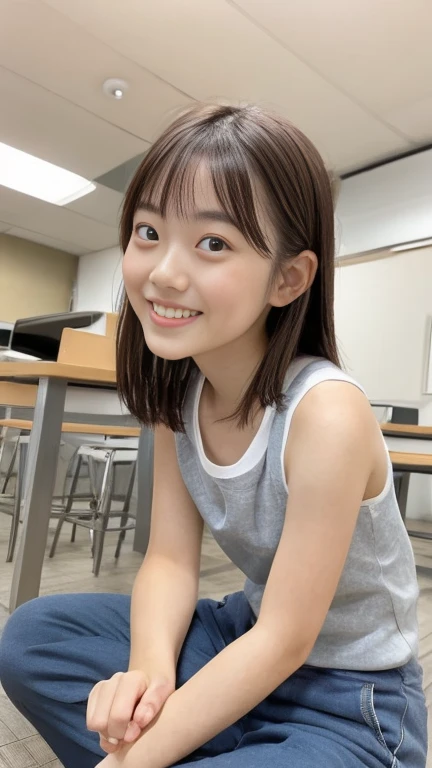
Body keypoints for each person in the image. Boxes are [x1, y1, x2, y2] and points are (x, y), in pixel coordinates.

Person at [0, 103, 427, 768]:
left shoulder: (327, 415)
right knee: (32, 637)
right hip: (241, 637)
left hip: (352, 696)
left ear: (288, 279)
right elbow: (170, 559)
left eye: (213, 243)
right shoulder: (179, 394)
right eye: (148, 231)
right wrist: (148, 676)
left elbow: (288, 638)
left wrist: (129, 760)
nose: (164, 272)